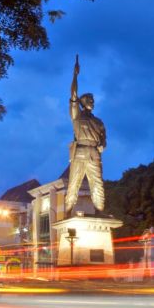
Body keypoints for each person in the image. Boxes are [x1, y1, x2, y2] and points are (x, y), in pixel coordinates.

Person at [65, 55, 107, 215]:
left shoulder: (99, 122)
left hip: (94, 153)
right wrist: (75, 75)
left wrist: (103, 144)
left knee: (97, 183)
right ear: (82, 103)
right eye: (89, 99)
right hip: (80, 151)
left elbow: (104, 139)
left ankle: (99, 210)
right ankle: (68, 210)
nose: (92, 101)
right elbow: (73, 94)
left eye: (93, 99)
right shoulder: (77, 115)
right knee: (74, 182)